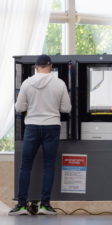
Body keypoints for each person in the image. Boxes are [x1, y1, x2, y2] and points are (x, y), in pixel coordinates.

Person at [9, 55, 71, 216]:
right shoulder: (59, 83)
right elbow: (66, 108)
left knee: (26, 166)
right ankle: (45, 205)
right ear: (50, 66)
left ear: (36, 67)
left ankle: (22, 205)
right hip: (52, 127)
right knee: (49, 166)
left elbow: (19, 107)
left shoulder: (27, 83)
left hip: (32, 127)